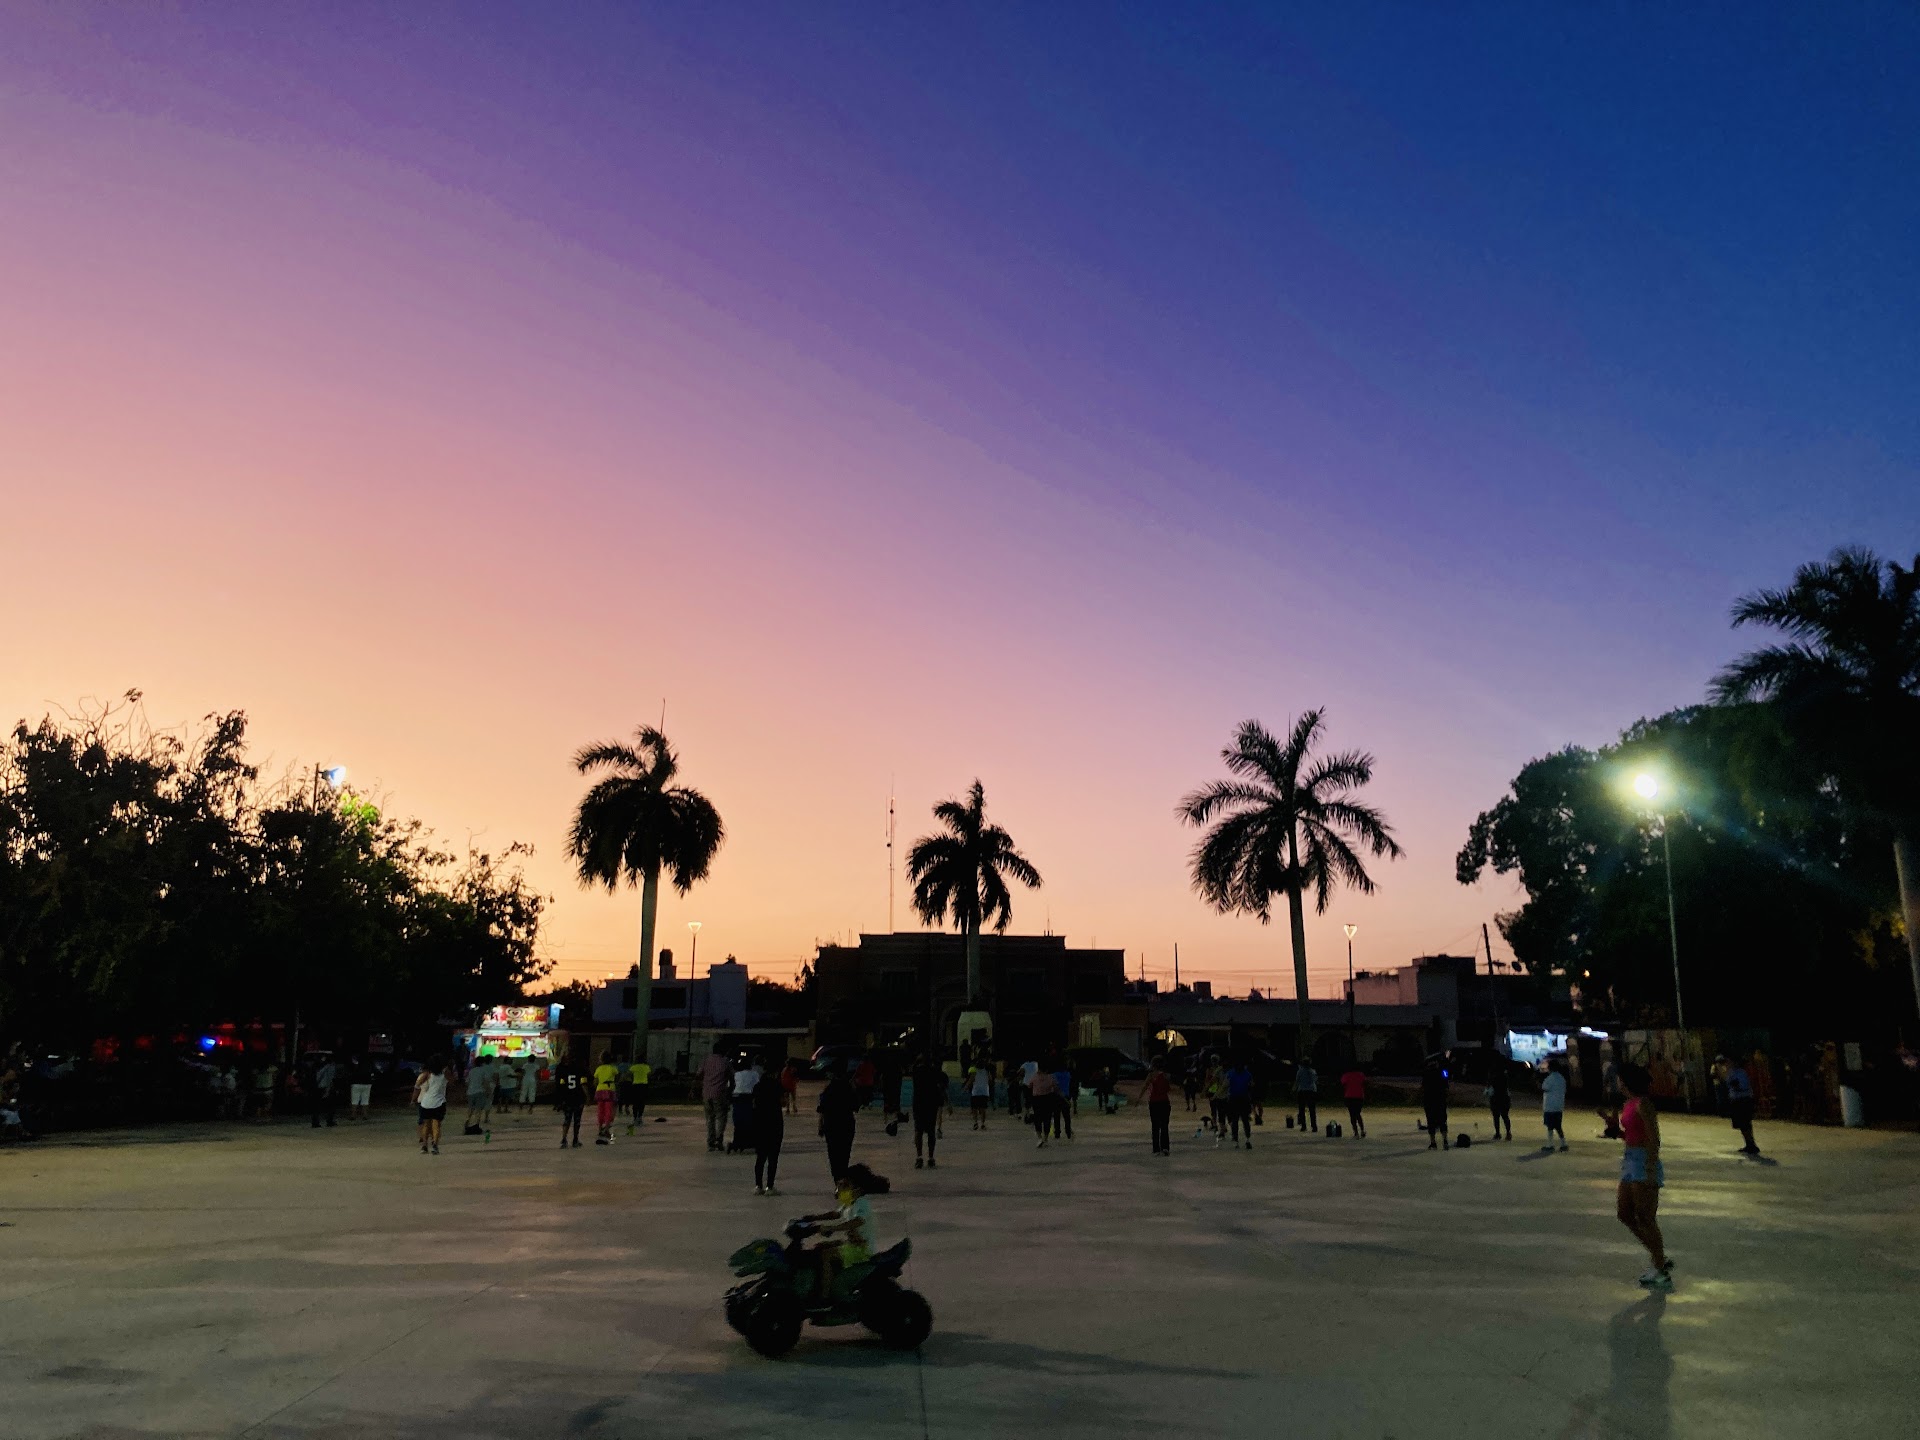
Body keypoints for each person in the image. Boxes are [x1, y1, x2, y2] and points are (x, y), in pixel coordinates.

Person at [1616, 1064, 1673, 1290]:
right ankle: (1658, 1256)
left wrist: (1650, 1166)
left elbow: (1653, 1138)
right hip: (1629, 1159)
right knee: (1624, 1213)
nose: (1616, 1082)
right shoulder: (1628, 1104)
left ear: (1626, 1081)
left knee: (1645, 1217)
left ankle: (1659, 1267)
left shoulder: (1643, 1104)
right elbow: (1632, 1134)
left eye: (1619, 1079)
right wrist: (1615, 1132)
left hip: (1643, 1161)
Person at [800, 1163, 888, 1300]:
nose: (840, 1190)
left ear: (858, 1188)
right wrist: (813, 1218)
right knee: (820, 1247)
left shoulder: (862, 1204)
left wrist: (832, 1228)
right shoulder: (850, 1203)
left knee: (826, 1255)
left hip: (861, 1250)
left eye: (846, 1185)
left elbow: (857, 1221)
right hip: (852, 1245)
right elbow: (835, 1214)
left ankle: (825, 1297)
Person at [817, 1067, 858, 1181]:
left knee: (833, 1154)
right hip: (846, 1124)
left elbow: (822, 1109)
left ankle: (837, 1179)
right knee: (844, 1154)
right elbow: (856, 1106)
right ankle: (842, 1177)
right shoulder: (848, 1088)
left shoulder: (829, 1089)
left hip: (831, 1124)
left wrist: (820, 1126)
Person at [751, 1062, 785, 1195]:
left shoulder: (757, 1086)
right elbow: (783, 1102)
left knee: (760, 1157)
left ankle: (758, 1185)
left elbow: (754, 1103)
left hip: (760, 1123)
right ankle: (770, 1187)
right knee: (773, 1157)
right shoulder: (777, 1086)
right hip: (774, 1122)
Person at [911, 1054, 948, 1168]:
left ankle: (919, 1157)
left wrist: (917, 1060)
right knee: (931, 1131)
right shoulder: (935, 1072)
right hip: (931, 1104)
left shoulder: (917, 1071)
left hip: (919, 1104)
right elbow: (940, 1087)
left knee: (919, 1131)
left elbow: (912, 1069)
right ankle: (931, 1157)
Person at [1725, 1054, 1761, 1156]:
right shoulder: (1732, 1072)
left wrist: (1734, 1084)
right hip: (1737, 1098)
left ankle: (1751, 1144)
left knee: (1745, 1123)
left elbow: (1741, 1086)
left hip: (1742, 1099)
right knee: (1742, 1124)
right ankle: (1748, 1143)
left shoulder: (1740, 1072)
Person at [412, 1055, 449, 1155]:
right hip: (439, 1102)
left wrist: (414, 1099)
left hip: (426, 1102)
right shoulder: (445, 1074)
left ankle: (424, 1146)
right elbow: (453, 1082)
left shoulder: (427, 1074)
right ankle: (435, 1145)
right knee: (436, 1125)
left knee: (426, 1125)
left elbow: (417, 1085)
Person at [701, 1044, 733, 1152]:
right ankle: (719, 1140)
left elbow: (699, 1074)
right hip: (720, 1093)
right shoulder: (725, 1062)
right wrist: (730, 1091)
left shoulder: (706, 1060)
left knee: (710, 1118)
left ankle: (710, 1141)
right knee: (721, 1117)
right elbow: (732, 1078)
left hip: (706, 1093)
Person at [553, 1053, 587, 1147]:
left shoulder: (564, 1071)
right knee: (577, 1120)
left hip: (567, 1098)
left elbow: (561, 1085)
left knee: (567, 1119)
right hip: (578, 1098)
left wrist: (560, 1099)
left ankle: (564, 1139)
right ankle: (575, 1140)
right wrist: (587, 1096)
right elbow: (583, 1084)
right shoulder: (580, 1071)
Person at [730, 1056, 761, 1154]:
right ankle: (750, 1140)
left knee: (738, 1120)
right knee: (750, 1119)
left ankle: (738, 1141)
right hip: (749, 1097)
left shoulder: (737, 1074)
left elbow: (732, 1085)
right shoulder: (754, 1074)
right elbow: (757, 1085)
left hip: (737, 1097)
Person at [1421, 1057, 1450, 1150]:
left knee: (1431, 1121)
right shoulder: (1443, 1072)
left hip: (1429, 1100)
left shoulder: (1426, 1073)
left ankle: (1433, 1142)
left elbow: (1423, 1087)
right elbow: (1446, 1084)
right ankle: (1445, 1141)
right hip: (1440, 1099)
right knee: (1442, 1121)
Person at [592, 1050, 620, 1145]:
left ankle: (600, 1128)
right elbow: (617, 1077)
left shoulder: (599, 1069)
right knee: (609, 1110)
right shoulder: (612, 1068)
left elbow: (595, 1080)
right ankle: (607, 1129)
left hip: (600, 1089)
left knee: (600, 1110)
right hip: (609, 1089)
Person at [1145, 1058, 1173, 1155]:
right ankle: (1165, 1147)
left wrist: (1138, 1099)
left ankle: (1156, 1148)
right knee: (1164, 1126)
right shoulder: (1166, 1076)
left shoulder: (1151, 1075)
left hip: (1154, 1102)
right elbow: (1168, 1089)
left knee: (1155, 1126)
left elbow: (1145, 1086)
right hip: (1164, 1102)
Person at [463, 1054, 495, 1136]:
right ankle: (476, 1125)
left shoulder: (472, 1071)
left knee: (470, 1109)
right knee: (478, 1110)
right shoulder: (483, 1071)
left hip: (470, 1092)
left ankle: (467, 1122)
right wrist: (488, 1092)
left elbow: (467, 1082)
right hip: (480, 1092)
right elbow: (485, 1082)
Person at [1541, 1059, 1569, 1151]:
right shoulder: (1561, 1078)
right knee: (1558, 1126)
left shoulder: (1550, 1078)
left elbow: (1544, 1087)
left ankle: (1550, 1144)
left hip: (1550, 1106)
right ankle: (1563, 1143)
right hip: (1559, 1105)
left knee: (1550, 1126)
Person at [1226, 1058, 1254, 1148]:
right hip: (1243, 1098)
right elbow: (1251, 1085)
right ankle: (1247, 1139)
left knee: (1235, 1120)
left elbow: (1226, 1084)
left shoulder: (1230, 1073)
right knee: (1245, 1120)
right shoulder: (1247, 1074)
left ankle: (1237, 1140)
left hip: (1235, 1098)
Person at [1028, 1062, 1058, 1148]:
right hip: (1047, 1099)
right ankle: (1046, 1139)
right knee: (1047, 1119)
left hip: (1037, 1100)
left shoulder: (1034, 1077)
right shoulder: (1050, 1077)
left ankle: (1039, 1138)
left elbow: (1029, 1086)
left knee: (1037, 1119)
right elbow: (1055, 1088)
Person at [1339, 1063, 1367, 1138]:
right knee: (1358, 1114)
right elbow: (1364, 1083)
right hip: (1359, 1096)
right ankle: (1362, 1130)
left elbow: (1343, 1085)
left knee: (1352, 1115)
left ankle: (1356, 1132)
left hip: (1349, 1096)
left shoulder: (1346, 1075)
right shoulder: (1361, 1075)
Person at [1601, 1056, 1626, 1139]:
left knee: (1614, 1111)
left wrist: (1604, 1091)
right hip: (1621, 1091)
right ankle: (1615, 1129)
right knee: (1617, 1111)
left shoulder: (1611, 1068)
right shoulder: (1622, 1068)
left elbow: (1606, 1080)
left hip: (1614, 1091)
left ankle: (1614, 1130)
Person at [310, 1055, 338, 1129]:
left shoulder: (315, 1065)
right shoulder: (330, 1066)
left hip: (316, 1087)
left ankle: (315, 1122)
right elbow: (330, 1078)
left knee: (316, 1106)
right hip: (325, 1086)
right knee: (330, 1105)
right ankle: (329, 1121)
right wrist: (328, 1090)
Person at [1488, 1061, 1512, 1140]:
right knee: (1505, 1116)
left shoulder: (1494, 1077)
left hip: (1496, 1098)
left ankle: (1498, 1133)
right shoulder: (1505, 1077)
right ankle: (1508, 1133)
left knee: (1496, 1116)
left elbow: (1491, 1087)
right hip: (1504, 1098)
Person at [1293, 1059, 1319, 1133]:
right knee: (1312, 1110)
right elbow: (1315, 1080)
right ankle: (1314, 1126)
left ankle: (1303, 1126)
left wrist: (1294, 1089)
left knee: (1301, 1109)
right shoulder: (1312, 1071)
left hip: (1302, 1091)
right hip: (1311, 1091)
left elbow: (1297, 1081)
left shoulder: (1300, 1071)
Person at [625, 1057, 651, 1132]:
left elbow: (628, 1074)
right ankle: (640, 1116)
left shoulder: (634, 1067)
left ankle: (635, 1117)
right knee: (642, 1101)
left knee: (635, 1101)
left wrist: (633, 1078)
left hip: (636, 1084)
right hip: (644, 1085)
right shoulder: (646, 1067)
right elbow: (649, 1074)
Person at [1051, 1058, 1075, 1139]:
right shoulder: (1068, 1074)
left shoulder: (1054, 1075)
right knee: (1066, 1116)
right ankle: (1068, 1132)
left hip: (1056, 1096)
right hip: (1066, 1096)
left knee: (1056, 1115)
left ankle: (1057, 1133)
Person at [348, 1056, 374, 1120]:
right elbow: (372, 1074)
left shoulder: (355, 1066)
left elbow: (351, 1074)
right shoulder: (368, 1065)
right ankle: (365, 1115)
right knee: (365, 1100)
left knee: (354, 1100)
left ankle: (353, 1115)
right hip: (367, 1084)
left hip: (356, 1084)